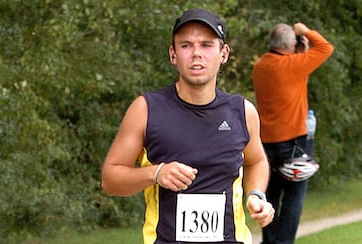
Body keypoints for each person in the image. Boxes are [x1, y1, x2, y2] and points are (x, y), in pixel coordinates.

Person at [102, 8, 275, 244]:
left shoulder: (242, 112)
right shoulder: (146, 109)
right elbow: (110, 180)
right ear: (173, 54)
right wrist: (156, 173)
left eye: (206, 45)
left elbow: (256, 161)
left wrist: (256, 195)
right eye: (186, 45)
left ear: (223, 53)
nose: (196, 54)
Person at [252, 22, 334, 243]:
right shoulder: (293, 65)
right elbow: (326, 47)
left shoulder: (260, 66)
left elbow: (293, 79)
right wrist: (303, 30)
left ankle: (269, 241)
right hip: (294, 143)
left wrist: (299, 51)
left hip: (266, 142)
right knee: (294, 196)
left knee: (271, 196)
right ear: (290, 45)